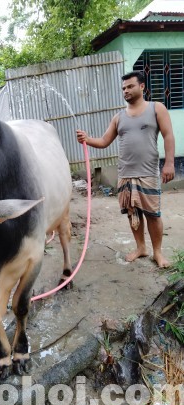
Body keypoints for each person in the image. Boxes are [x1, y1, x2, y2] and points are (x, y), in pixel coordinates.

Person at [76, 71, 175, 268]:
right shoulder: (119, 117)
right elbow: (104, 141)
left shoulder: (157, 108)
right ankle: (141, 247)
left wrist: (169, 163)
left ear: (142, 87)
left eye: (130, 86)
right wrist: (87, 139)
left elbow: (168, 135)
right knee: (132, 213)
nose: (126, 91)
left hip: (148, 172)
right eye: (123, 88)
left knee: (153, 214)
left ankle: (157, 252)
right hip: (125, 174)